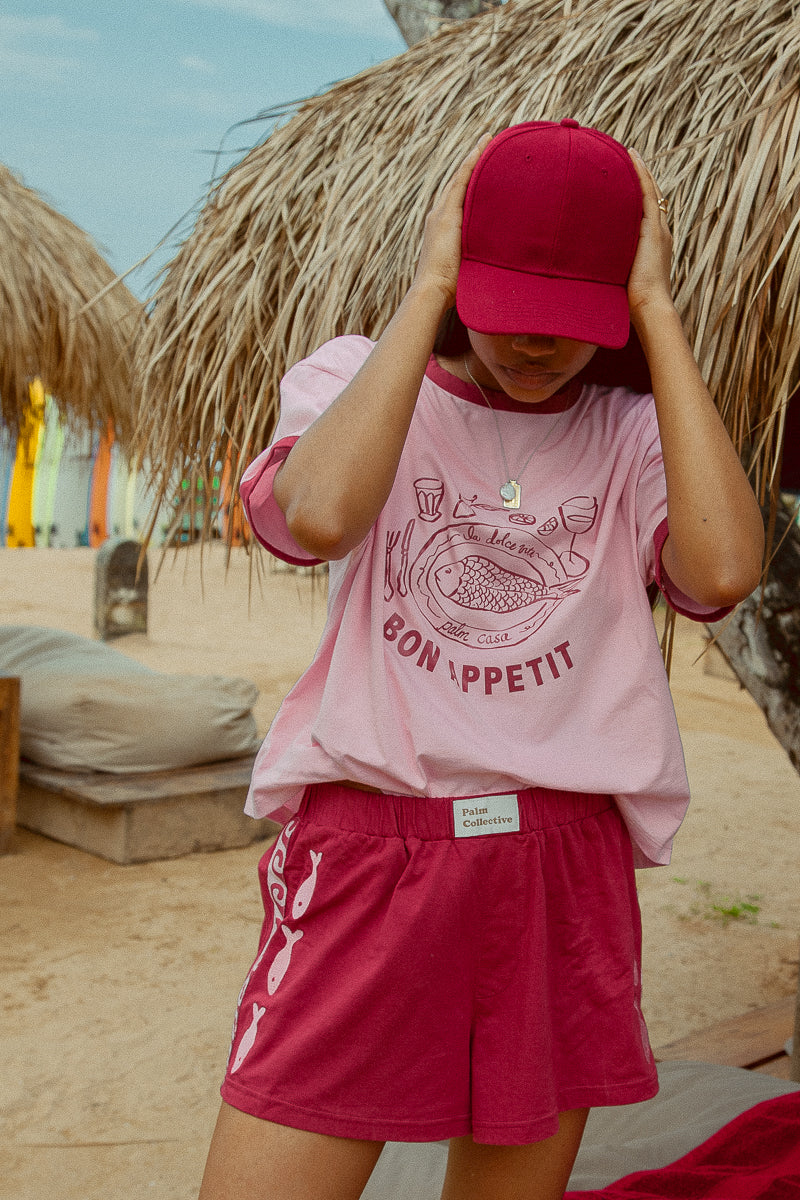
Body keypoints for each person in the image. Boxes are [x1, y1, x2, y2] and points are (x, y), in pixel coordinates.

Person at [197, 120, 764, 1200]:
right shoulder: (351, 381)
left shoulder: (633, 430)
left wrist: (654, 308)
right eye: (510, 313)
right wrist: (427, 290)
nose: (539, 346)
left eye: (573, 320)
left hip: (560, 864)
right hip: (372, 848)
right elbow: (314, 514)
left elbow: (723, 570)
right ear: (462, 278)